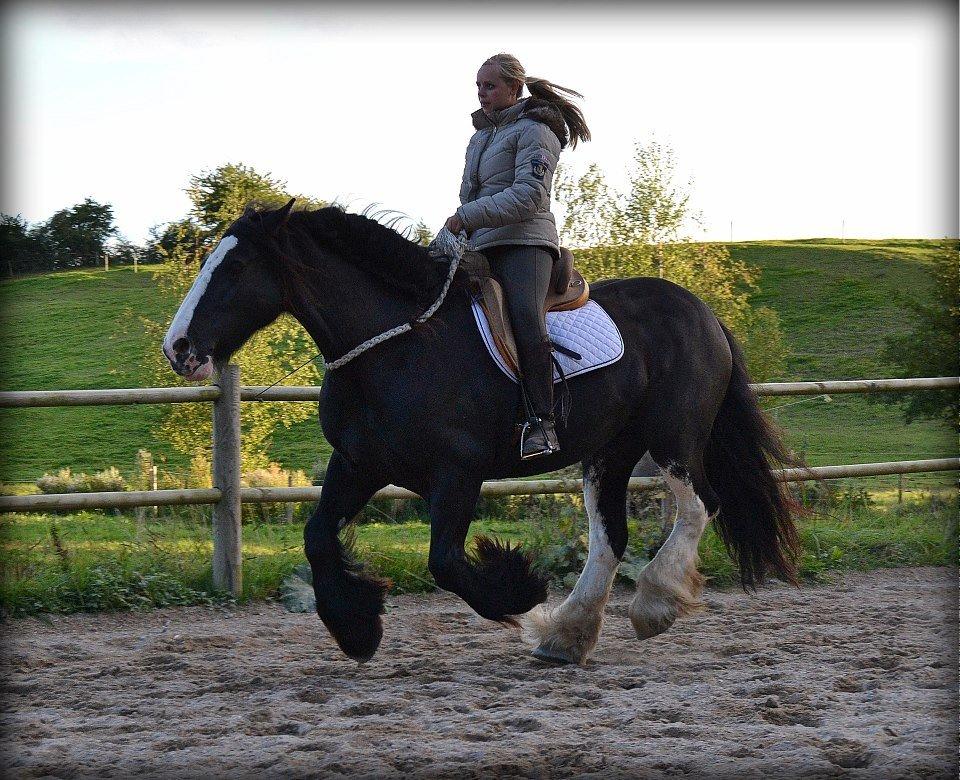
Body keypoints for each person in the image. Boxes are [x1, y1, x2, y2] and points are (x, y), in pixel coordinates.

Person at [444, 53, 591, 460]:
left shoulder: (536, 131)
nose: (481, 93)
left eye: (490, 86)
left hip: (526, 243)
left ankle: (543, 422)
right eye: (478, 86)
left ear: (514, 88)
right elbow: (469, 198)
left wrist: (466, 217)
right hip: (481, 245)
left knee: (524, 314)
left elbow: (529, 195)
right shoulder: (479, 138)